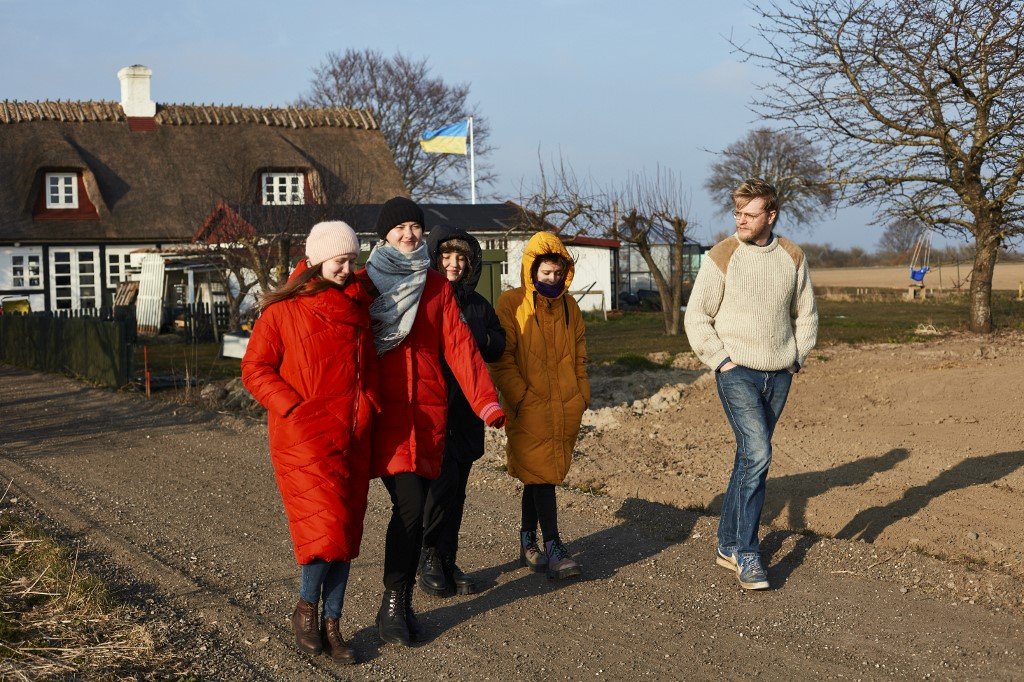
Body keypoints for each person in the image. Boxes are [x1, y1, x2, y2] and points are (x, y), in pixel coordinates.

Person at [360, 197, 506, 646]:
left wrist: (486, 403)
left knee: (417, 508)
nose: (408, 234)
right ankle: (390, 603)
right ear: (384, 235)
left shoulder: (437, 288)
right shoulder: (364, 285)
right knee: (408, 508)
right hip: (381, 415)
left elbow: (462, 348)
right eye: (399, 227)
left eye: (415, 227)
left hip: (426, 418)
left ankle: (399, 602)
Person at [241, 221, 376, 664]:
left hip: (352, 434)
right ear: (318, 259)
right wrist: (294, 409)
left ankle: (333, 624)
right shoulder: (283, 311)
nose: (347, 268)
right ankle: (306, 609)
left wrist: (368, 404)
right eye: (340, 260)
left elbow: (366, 370)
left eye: (352, 261)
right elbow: (255, 369)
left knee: (346, 533)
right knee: (325, 529)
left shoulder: (358, 307)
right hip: (304, 435)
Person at [683, 178, 818, 590]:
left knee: (748, 457)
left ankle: (726, 542)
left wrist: (797, 357)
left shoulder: (793, 256)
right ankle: (747, 553)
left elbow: (807, 313)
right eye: (737, 213)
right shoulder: (721, 255)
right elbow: (697, 316)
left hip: (779, 373)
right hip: (735, 370)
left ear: (770, 216)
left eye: (749, 214)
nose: (740, 220)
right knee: (759, 453)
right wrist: (720, 361)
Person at [490, 231, 589, 580]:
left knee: (538, 475)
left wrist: (581, 395)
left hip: (564, 405)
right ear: (531, 270)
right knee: (542, 475)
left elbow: (579, 355)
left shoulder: (570, 307)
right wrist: (520, 398)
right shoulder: (510, 303)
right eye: (545, 273)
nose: (551, 280)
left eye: (557, 274)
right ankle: (555, 546)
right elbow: (502, 360)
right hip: (528, 406)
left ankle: (526, 540)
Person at [418, 224, 506, 597]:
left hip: (468, 411)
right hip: (434, 408)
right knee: (437, 489)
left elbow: (498, 344)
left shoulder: (477, 304)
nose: (453, 264)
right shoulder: (424, 297)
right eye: (446, 257)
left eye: (460, 258)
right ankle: (428, 559)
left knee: (458, 491)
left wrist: (477, 337)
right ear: (435, 259)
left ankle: (448, 557)